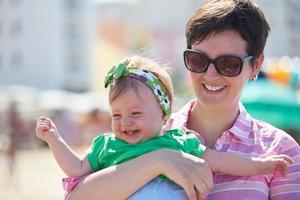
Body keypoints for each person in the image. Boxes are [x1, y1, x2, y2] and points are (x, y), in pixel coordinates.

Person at [53, 1, 300, 199]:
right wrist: (159, 159)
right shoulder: (142, 130)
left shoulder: (281, 151)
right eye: (198, 60)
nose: (210, 74)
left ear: (255, 65)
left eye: (228, 64)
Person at [37, 56, 294, 200]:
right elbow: (75, 170)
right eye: (117, 115)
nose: (125, 121)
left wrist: (262, 165)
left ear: (163, 114)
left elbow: (222, 160)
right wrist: (54, 139)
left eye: (135, 113)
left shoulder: (179, 141)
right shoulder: (106, 146)